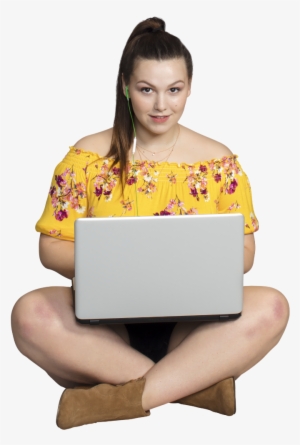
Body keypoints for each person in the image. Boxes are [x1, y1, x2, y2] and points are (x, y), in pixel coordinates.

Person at [11, 17, 289, 429]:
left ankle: (118, 398)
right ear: (125, 86)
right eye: (147, 90)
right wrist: (122, 267)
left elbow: (244, 255)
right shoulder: (87, 156)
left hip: (197, 331)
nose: (162, 106)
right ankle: (195, 387)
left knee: (273, 306)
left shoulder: (219, 161)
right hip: (101, 331)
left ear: (189, 87)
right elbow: (50, 247)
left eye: (174, 90)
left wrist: (174, 266)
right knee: (28, 313)